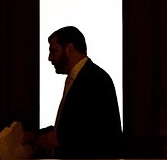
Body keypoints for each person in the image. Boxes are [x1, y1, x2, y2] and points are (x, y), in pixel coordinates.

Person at [33, 26, 123, 159]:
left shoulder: (95, 79)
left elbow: (99, 133)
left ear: (69, 48)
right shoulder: (85, 77)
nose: (49, 58)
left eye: (53, 51)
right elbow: (75, 125)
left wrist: (60, 139)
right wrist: (36, 135)